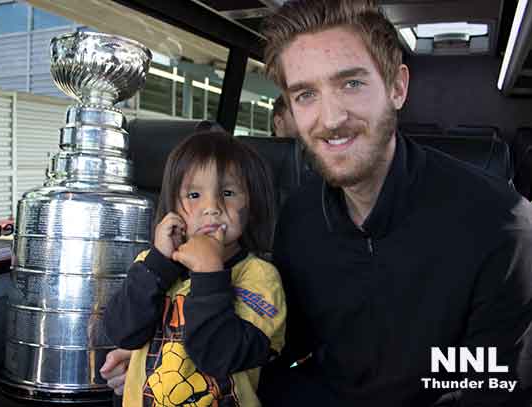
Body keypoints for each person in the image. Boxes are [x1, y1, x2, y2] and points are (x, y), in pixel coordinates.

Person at [256, 1, 532, 406]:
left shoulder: (501, 227)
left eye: (351, 83)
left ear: (397, 87)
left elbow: (487, 391)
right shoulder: (298, 217)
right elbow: (286, 345)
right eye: (306, 94)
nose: (331, 118)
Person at [102, 130, 286, 407]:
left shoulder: (258, 277)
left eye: (228, 192)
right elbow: (122, 332)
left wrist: (209, 274)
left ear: (252, 206)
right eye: (194, 194)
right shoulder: (151, 264)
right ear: (173, 205)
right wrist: (158, 265)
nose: (211, 207)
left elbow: (220, 355)